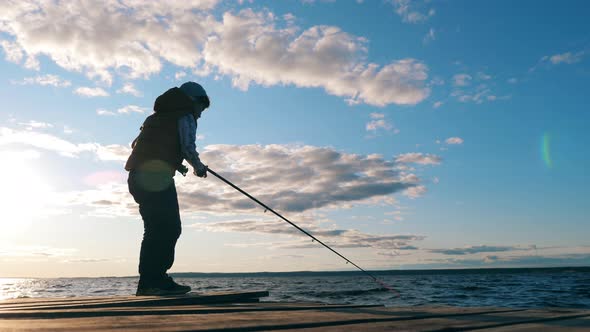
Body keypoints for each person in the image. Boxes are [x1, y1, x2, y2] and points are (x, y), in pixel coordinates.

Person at [125, 82, 210, 296]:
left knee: (155, 229)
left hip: (137, 177)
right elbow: (188, 147)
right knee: (169, 228)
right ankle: (156, 281)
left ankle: (149, 283)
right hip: (155, 178)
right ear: (193, 101)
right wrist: (198, 168)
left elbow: (140, 145)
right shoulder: (185, 116)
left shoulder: (155, 117)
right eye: (202, 106)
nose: (201, 113)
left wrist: (174, 163)